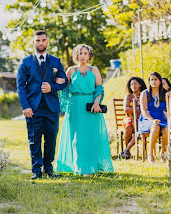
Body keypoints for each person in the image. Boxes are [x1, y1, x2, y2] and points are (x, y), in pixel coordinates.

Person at [17, 31, 68, 179]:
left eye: (43, 40)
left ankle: (49, 168)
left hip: (51, 107)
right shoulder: (25, 62)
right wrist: (25, 106)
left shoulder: (56, 61)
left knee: (51, 138)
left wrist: (52, 87)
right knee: (34, 138)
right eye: (38, 40)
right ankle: (36, 169)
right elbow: (21, 86)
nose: (40, 43)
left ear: (47, 42)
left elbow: (64, 81)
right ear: (33, 43)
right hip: (33, 107)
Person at [55, 44, 113, 175]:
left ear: (89, 55)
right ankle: (80, 167)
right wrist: (57, 81)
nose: (83, 56)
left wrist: (97, 102)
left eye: (85, 53)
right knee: (77, 139)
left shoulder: (94, 70)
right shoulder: (71, 70)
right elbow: (63, 87)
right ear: (77, 55)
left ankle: (92, 166)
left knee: (91, 137)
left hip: (91, 107)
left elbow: (99, 88)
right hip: (75, 107)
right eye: (80, 53)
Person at [138, 72, 168, 163]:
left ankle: (162, 153)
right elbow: (143, 110)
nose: (153, 81)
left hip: (161, 117)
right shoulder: (145, 93)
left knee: (167, 129)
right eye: (151, 79)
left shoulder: (165, 93)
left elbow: (168, 110)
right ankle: (150, 154)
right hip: (147, 118)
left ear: (159, 81)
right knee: (155, 127)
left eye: (155, 79)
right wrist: (152, 120)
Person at [121, 77, 147, 159]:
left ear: (140, 85)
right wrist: (138, 110)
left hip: (141, 119)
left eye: (135, 84)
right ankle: (127, 151)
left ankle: (126, 149)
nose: (133, 86)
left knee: (141, 127)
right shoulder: (128, 97)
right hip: (129, 118)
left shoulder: (144, 95)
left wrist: (140, 111)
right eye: (131, 84)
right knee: (129, 124)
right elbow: (126, 109)